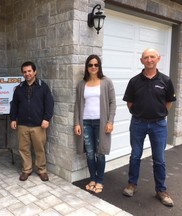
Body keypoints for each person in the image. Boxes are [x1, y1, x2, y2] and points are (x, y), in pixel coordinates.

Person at [122, 48, 176, 207]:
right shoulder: (134, 81)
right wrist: (137, 113)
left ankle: (161, 190)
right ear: (141, 61)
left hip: (159, 124)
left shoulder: (166, 81)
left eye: (152, 57)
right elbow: (129, 102)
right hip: (138, 123)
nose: (149, 60)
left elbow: (169, 102)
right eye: (146, 57)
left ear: (158, 59)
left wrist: (161, 113)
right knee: (135, 155)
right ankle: (132, 185)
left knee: (159, 159)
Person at [74, 54, 116, 194]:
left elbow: (112, 103)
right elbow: (77, 105)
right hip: (85, 122)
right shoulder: (82, 84)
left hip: (101, 122)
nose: (93, 67)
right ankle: (92, 178)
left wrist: (110, 121)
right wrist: (77, 123)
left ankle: (99, 180)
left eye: (96, 65)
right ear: (87, 67)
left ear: (99, 66)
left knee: (100, 153)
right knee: (90, 153)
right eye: (90, 65)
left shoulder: (106, 82)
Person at [10, 61, 54, 181]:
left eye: (29, 71)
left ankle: (42, 170)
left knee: (39, 148)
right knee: (24, 148)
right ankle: (26, 170)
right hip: (22, 124)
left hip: (38, 125)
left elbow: (49, 104)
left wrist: (46, 118)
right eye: (25, 72)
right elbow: (14, 105)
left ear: (35, 72)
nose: (27, 73)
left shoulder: (43, 86)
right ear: (22, 74)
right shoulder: (19, 88)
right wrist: (13, 118)